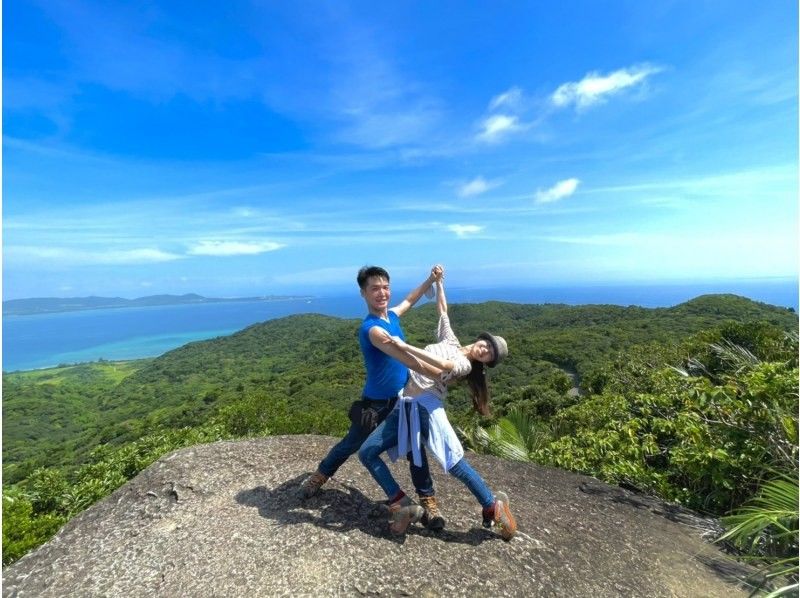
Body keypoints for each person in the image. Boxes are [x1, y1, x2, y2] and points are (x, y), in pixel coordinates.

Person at [358, 270, 517, 539]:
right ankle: (403, 503)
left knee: (453, 462)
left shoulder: (465, 365)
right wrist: (437, 282)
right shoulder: (451, 341)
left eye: (489, 354)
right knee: (368, 452)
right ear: (481, 339)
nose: (484, 349)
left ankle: (492, 505)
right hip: (406, 403)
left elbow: (442, 365)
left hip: (426, 406)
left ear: (486, 362)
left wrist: (403, 346)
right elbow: (442, 310)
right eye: (486, 344)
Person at [298, 264, 447, 531]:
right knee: (350, 444)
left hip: (403, 400)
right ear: (363, 294)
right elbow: (408, 359)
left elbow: (410, 300)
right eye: (375, 289)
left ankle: (428, 501)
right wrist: (445, 373)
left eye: (386, 287)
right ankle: (319, 477)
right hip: (376, 404)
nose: (382, 293)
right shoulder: (373, 330)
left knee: (415, 449)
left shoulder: (392, 316)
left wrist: (431, 280)